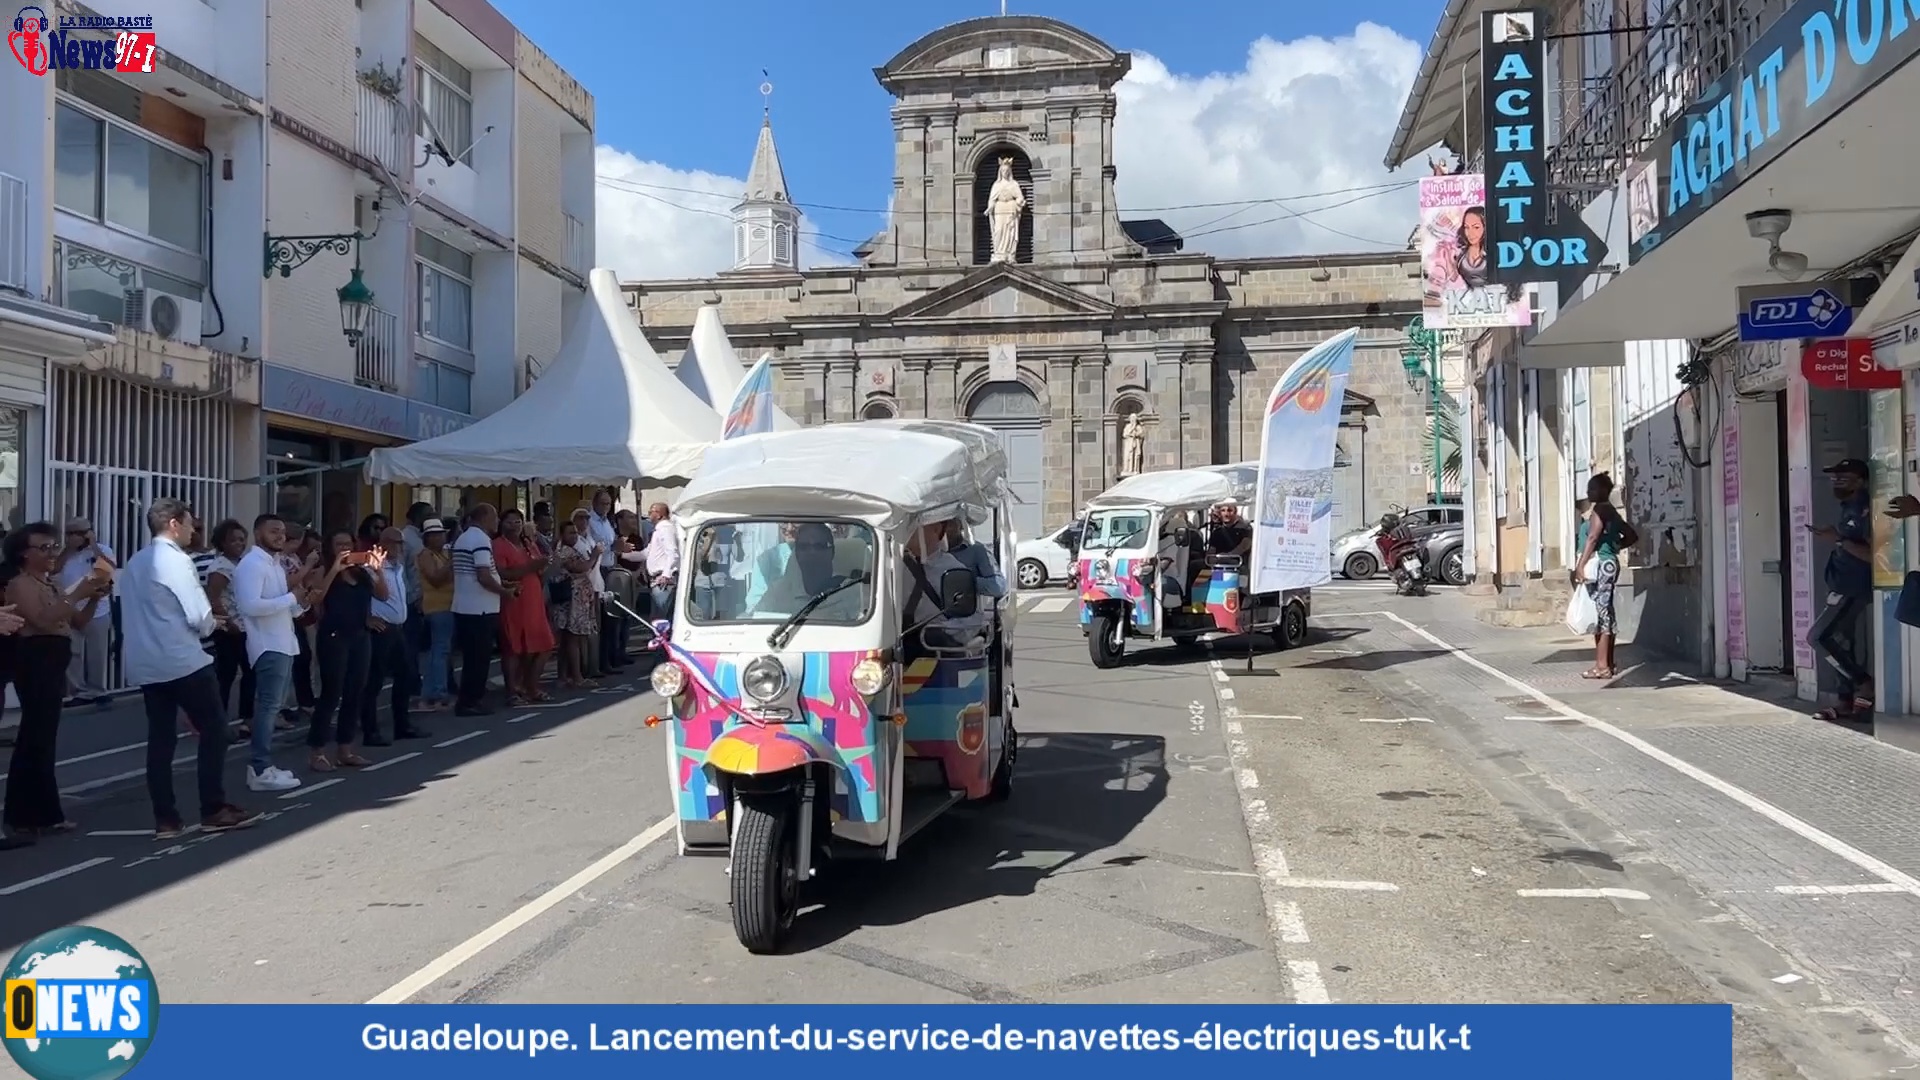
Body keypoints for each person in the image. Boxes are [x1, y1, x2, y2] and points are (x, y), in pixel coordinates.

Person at [118, 499, 261, 838]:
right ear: (173, 524)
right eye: (189, 523)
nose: (194, 529)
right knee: (216, 729)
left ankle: (166, 818)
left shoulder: (136, 562)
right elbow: (199, 616)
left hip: (146, 661)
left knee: (161, 739)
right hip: (182, 658)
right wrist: (213, 623)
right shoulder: (178, 561)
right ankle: (213, 807)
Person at [2, 523, 109, 842]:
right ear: (24, 554)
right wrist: (77, 592)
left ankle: (46, 812)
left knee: (44, 739)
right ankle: (24, 814)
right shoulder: (20, 584)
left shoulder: (48, 584)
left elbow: (77, 621)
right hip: (35, 662)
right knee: (34, 738)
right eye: (44, 548)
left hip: (53, 662)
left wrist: (93, 597)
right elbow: (43, 620)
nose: (52, 553)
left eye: (53, 546)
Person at [232, 513, 317, 793]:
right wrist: (291, 599)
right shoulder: (251, 565)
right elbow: (250, 606)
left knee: (273, 707)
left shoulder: (275, 564)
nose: (280, 535)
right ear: (258, 534)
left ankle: (263, 766)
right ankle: (259, 767)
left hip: (283, 642)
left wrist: (300, 604)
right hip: (267, 645)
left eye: (282, 531)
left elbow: (284, 605)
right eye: (273, 531)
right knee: (268, 708)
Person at [308, 530, 388, 770]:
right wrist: (335, 569)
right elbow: (315, 598)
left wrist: (378, 570)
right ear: (330, 548)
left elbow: (384, 595)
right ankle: (317, 751)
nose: (343, 547)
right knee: (331, 693)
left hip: (359, 637)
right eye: (338, 544)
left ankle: (345, 748)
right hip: (334, 637)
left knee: (355, 693)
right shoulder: (324, 570)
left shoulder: (362, 574)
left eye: (347, 543)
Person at [1809, 459, 1875, 720]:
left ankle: (1864, 683)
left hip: (1852, 587)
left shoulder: (1864, 508)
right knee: (1841, 642)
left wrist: (1837, 539)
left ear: (1860, 480)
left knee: (1818, 637)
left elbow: (1872, 553)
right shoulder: (1848, 507)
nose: (1835, 481)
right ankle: (1845, 701)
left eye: (1843, 476)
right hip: (1840, 584)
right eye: (1833, 476)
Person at [1570, 472, 1639, 681]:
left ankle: (1602, 666)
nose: (1587, 492)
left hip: (1599, 562)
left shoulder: (1600, 509)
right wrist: (1615, 546)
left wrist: (1580, 565)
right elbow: (1631, 535)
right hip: (1608, 562)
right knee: (1605, 610)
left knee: (1600, 613)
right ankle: (1608, 662)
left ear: (1602, 490)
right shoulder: (1611, 511)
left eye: (1591, 488)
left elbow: (1592, 537)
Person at [364, 526, 428, 743]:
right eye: (395, 543)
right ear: (383, 544)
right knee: (374, 681)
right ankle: (370, 730)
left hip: (398, 628)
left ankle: (402, 724)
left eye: (401, 543)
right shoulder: (371, 567)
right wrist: (367, 618)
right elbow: (363, 595)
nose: (400, 547)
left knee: (405, 675)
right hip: (381, 630)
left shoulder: (398, 566)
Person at [493, 509, 555, 705]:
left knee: (544, 644)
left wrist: (548, 565)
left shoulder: (528, 544)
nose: (515, 525)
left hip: (534, 599)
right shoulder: (498, 545)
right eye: (510, 522)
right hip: (514, 600)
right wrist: (533, 566)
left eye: (518, 521)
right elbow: (503, 573)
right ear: (502, 524)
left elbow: (539, 569)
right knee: (514, 648)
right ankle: (512, 691)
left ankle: (531, 686)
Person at [451, 504, 508, 716]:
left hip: (466, 606)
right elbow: (483, 575)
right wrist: (504, 592)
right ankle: (471, 701)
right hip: (480, 608)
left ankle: (469, 699)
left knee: (472, 657)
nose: (497, 522)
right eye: (494, 517)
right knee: (479, 658)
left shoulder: (464, 538)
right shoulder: (480, 540)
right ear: (483, 517)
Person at [56, 517, 115, 707]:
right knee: (73, 653)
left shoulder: (102, 550)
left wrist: (93, 545)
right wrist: (68, 549)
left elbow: (107, 570)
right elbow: (53, 570)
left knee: (96, 653)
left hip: (97, 609)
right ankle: (78, 692)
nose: (75, 537)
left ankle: (97, 690)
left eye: (80, 533)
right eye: (71, 533)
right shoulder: (64, 554)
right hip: (70, 608)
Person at [203, 519, 255, 732]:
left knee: (251, 674)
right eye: (233, 540)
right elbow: (213, 598)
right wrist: (229, 622)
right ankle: (218, 722)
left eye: (242, 539)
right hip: (229, 630)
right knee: (226, 676)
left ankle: (247, 719)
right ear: (222, 542)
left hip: (246, 627)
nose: (239, 543)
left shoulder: (242, 562)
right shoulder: (220, 567)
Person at [756, 523, 868, 620]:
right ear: (797, 554)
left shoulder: (853, 592)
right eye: (804, 547)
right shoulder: (779, 592)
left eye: (819, 546)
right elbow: (756, 625)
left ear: (831, 552)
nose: (812, 553)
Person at [555, 512, 603, 689]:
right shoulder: (565, 551)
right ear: (562, 535)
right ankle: (577, 677)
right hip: (573, 599)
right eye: (570, 533)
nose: (574, 536)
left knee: (569, 639)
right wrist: (595, 555)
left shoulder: (573, 548)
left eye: (575, 533)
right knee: (574, 638)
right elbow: (581, 567)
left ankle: (564, 676)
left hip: (580, 597)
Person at [415, 519, 456, 710]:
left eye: (442, 533)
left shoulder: (444, 553)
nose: (441, 537)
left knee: (437, 652)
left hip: (448, 605)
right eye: (436, 534)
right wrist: (451, 565)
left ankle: (429, 694)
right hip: (436, 606)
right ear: (427, 538)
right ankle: (438, 693)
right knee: (440, 651)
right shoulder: (426, 555)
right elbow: (435, 579)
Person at [944, 520, 1007, 597]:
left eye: (950, 524)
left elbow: (999, 587)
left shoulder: (977, 550)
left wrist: (968, 581)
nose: (946, 530)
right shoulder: (928, 554)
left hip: (966, 607)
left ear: (960, 525)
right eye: (941, 525)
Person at [644, 502, 680, 629]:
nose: (648, 515)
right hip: (657, 580)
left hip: (662, 581)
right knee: (657, 619)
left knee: (660, 621)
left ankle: (662, 648)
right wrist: (623, 554)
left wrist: (666, 574)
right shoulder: (658, 530)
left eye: (651, 512)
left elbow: (673, 553)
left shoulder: (665, 529)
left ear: (659, 514)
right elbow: (647, 553)